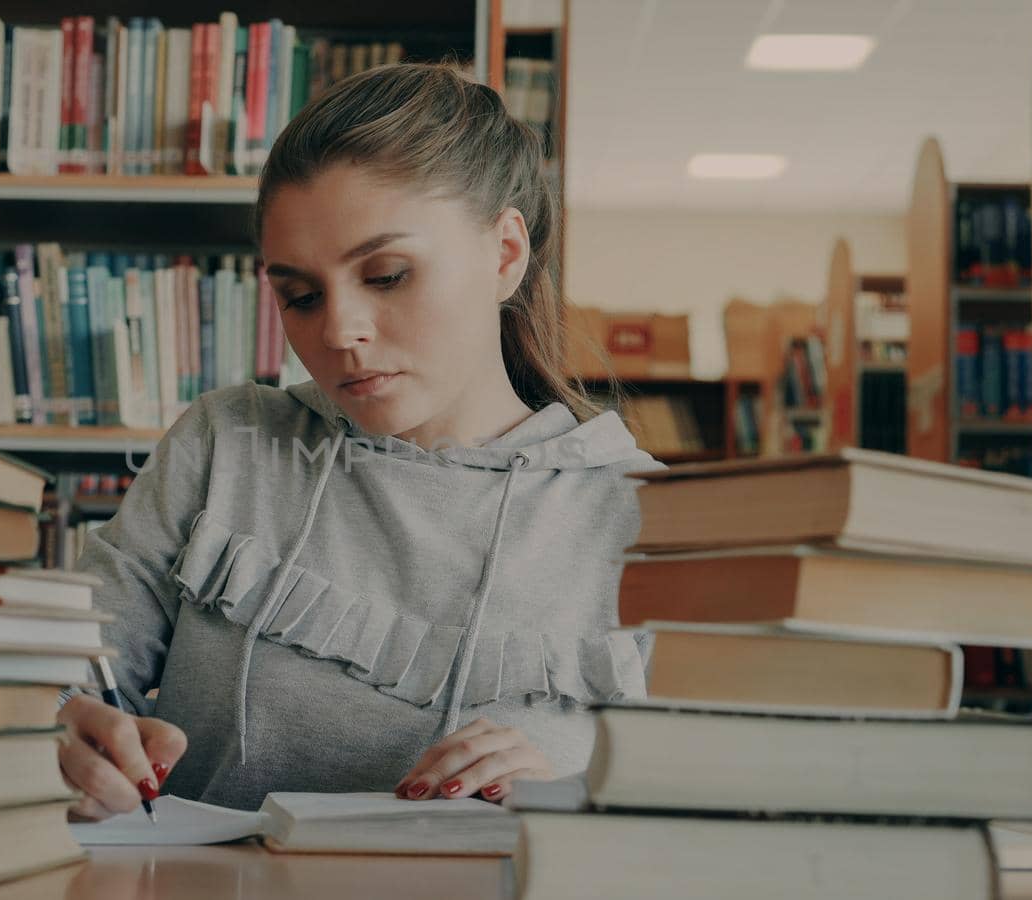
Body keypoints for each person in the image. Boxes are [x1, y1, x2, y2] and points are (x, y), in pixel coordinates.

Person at [57, 62, 660, 821]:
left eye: (387, 275)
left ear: (505, 253)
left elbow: (702, 803)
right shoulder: (225, 440)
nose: (338, 333)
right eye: (300, 296)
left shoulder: (649, 516)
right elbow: (60, 673)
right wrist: (56, 729)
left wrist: (577, 788)